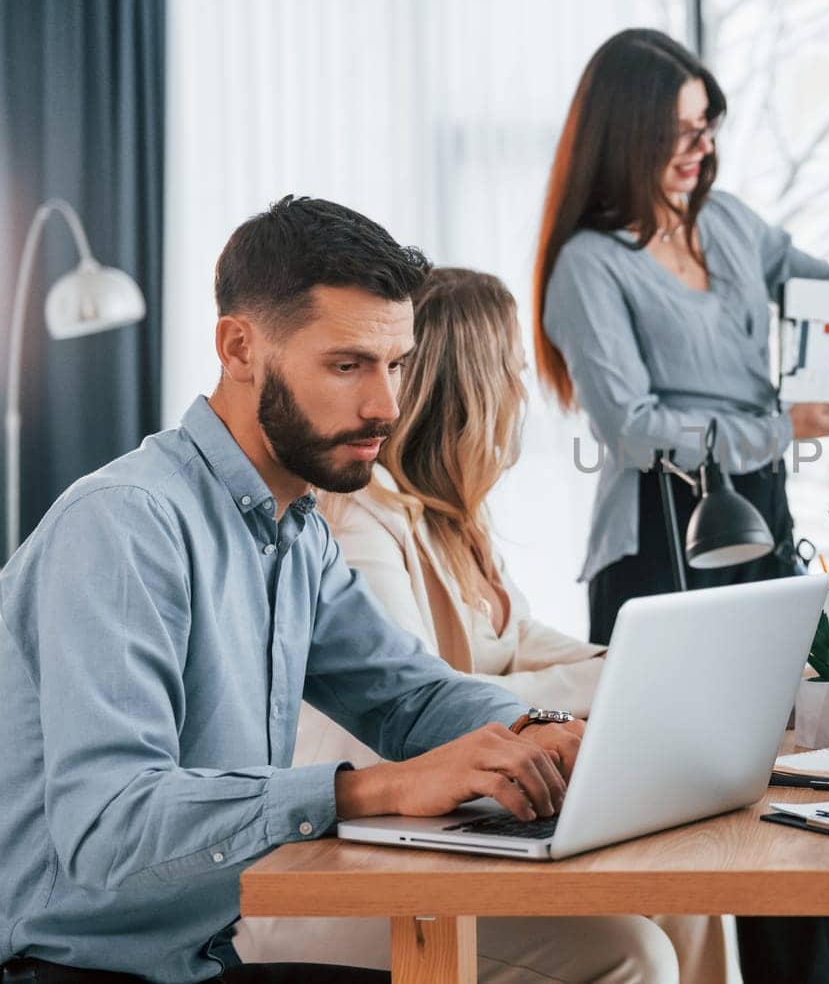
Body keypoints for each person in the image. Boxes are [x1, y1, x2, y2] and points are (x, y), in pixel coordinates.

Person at [0, 197, 583, 983]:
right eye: (348, 365)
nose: (387, 405)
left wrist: (550, 733)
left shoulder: (295, 532)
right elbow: (111, 829)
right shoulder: (125, 526)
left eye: (397, 363)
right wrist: (377, 787)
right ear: (239, 347)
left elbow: (409, 698)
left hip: (199, 961)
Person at [532, 27, 829, 984]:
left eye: (709, 128)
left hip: (754, 520)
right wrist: (778, 426)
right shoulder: (588, 266)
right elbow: (631, 430)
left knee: (791, 783)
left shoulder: (730, 223)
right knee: (684, 807)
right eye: (680, 133)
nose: (702, 151)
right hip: (657, 543)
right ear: (624, 135)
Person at [234, 267, 721, 983]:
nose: (525, 397)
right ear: (475, 387)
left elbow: (512, 646)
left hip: (431, 838)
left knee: (685, 895)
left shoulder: (452, 519)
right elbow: (422, 701)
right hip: (349, 868)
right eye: (515, 373)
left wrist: (643, 666)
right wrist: (587, 693)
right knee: (633, 949)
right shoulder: (360, 521)